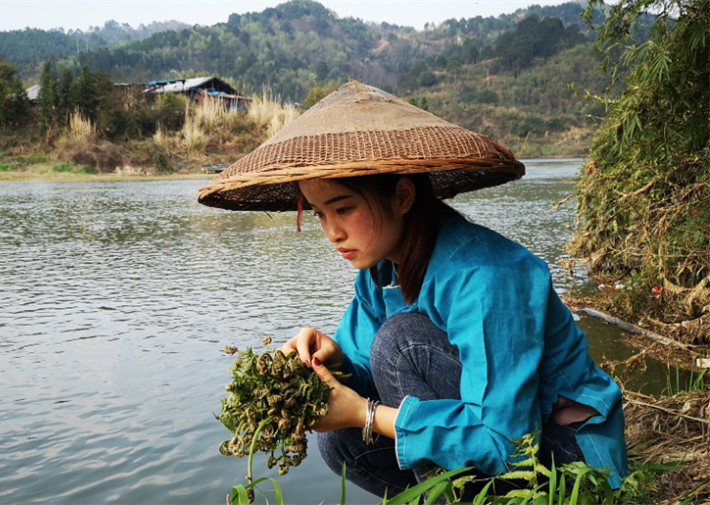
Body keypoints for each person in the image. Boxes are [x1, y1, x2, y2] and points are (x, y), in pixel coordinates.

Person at [198, 82, 629, 500]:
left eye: (344, 209)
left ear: (403, 196)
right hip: (513, 445)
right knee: (342, 443)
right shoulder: (379, 273)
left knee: (399, 345)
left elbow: (508, 443)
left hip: (567, 459)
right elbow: (370, 378)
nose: (332, 232)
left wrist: (366, 414)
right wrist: (337, 360)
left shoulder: (482, 276)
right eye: (319, 214)